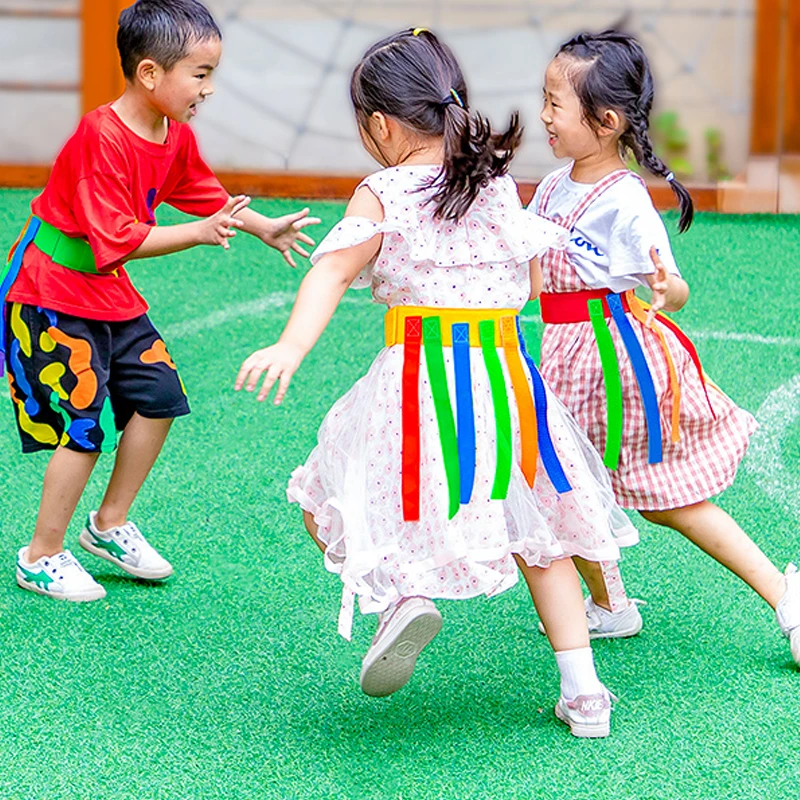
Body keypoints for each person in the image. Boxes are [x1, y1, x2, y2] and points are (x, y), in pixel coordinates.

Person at [236, 28, 640, 738]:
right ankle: (585, 695)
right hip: (508, 381)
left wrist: (291, 346)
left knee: (330, 496)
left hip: (420, 380)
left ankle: (401, 594)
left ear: (380, 125)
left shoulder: (383, 190)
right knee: (541, 535)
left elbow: (331, 269)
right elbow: (532, 272)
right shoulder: (490, 182)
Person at [3, 0, 318, 602]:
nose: (209, 89)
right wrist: (196, 234)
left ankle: (109, 524)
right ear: (150, 74)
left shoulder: (171, 134)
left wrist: (262, 226)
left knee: (160, 396)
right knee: (84, 424)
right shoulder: (101, 137)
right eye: (200, 74)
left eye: (211, 74)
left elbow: (205, 196)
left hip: (107, 292)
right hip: (52, 293)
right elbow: (114, 240)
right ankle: (40, 556)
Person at [531, 30, 799, 665]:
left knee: (668, 500)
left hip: (615, 359)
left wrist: (668, 289)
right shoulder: (551, 186)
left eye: (554, 104)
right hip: (563, 357)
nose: (543, 115)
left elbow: (670, 283)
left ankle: (784, 594)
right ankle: (610, 606)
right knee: (564, 486)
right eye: (543, 99)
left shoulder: (625, 202)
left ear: (606, 122)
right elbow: (536, 273)